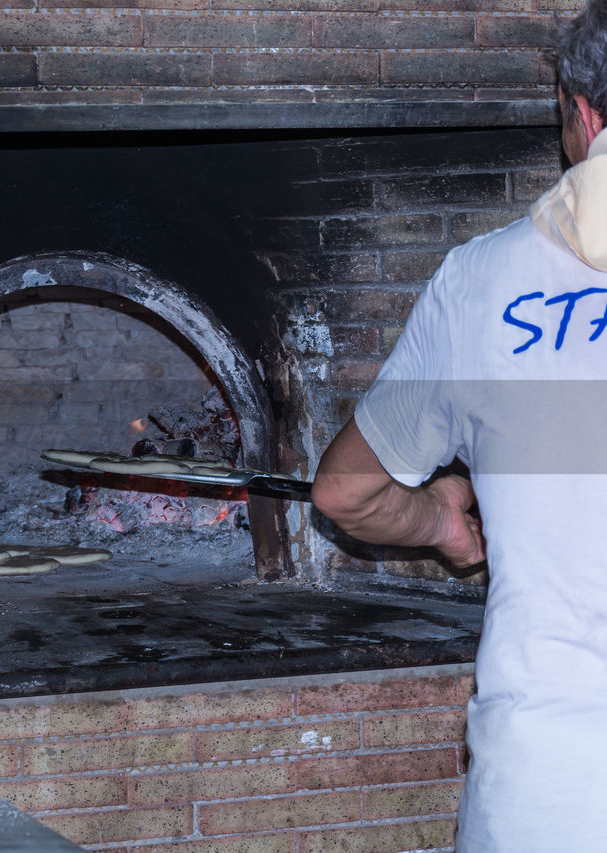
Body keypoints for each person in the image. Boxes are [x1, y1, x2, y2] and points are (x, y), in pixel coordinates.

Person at [312, 2, 607, 850]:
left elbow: (345, 490)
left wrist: (439, 520)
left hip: (548, 788)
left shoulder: (481, 284)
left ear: (580, 112)